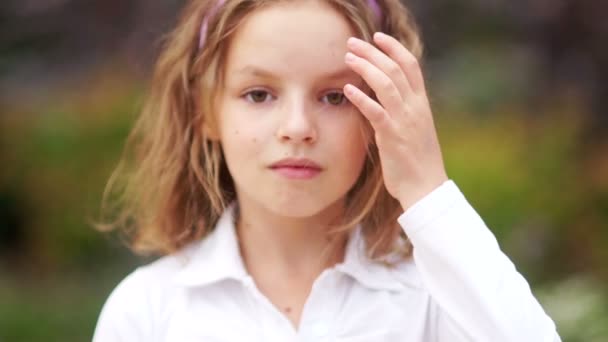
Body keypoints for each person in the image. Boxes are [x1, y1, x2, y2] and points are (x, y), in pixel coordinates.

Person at [93, 0, 561, 340]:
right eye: (259, 94)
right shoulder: (148, 311)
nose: (297, 128)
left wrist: (426, 189)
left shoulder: (432, 297)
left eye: (335, 97)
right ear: (207, 113)